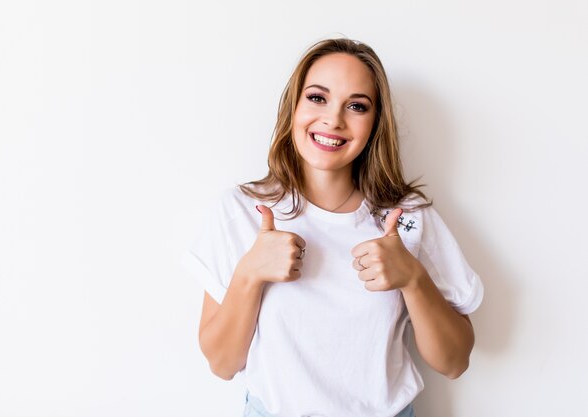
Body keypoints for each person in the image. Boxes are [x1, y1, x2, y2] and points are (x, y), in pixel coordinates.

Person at [183, 38, 484, 417]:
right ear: (294, 106)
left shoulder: (408, 217)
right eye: (317, 98)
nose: (333, 120)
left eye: (357, 106)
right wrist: (250, 274)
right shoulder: (243, 211)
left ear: (375, 123)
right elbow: (222, 364)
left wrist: (413, 278)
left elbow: (455, 361)